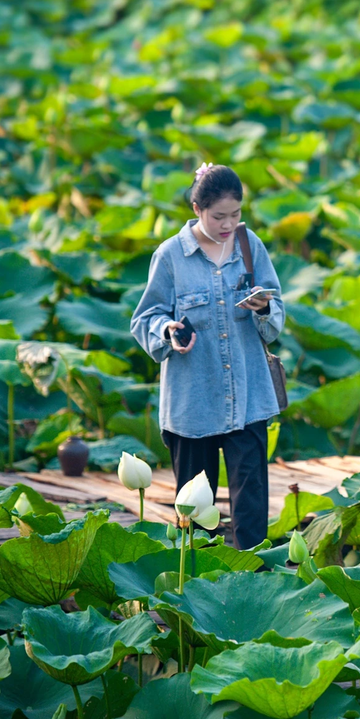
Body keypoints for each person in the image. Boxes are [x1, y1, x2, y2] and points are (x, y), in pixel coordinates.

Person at [129, 163, 284, 550]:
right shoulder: (169, 256)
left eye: (236, 214)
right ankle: (198, 591)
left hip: (248, 398)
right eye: (219, 216)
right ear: (197, 208)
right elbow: (144, 318)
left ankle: (257, 582)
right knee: (197, 516)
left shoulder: (251, 247)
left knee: (251, 509)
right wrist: (167, 332)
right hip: (192, 402)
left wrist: (264, 308)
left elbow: (276, 318)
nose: (228, 224)